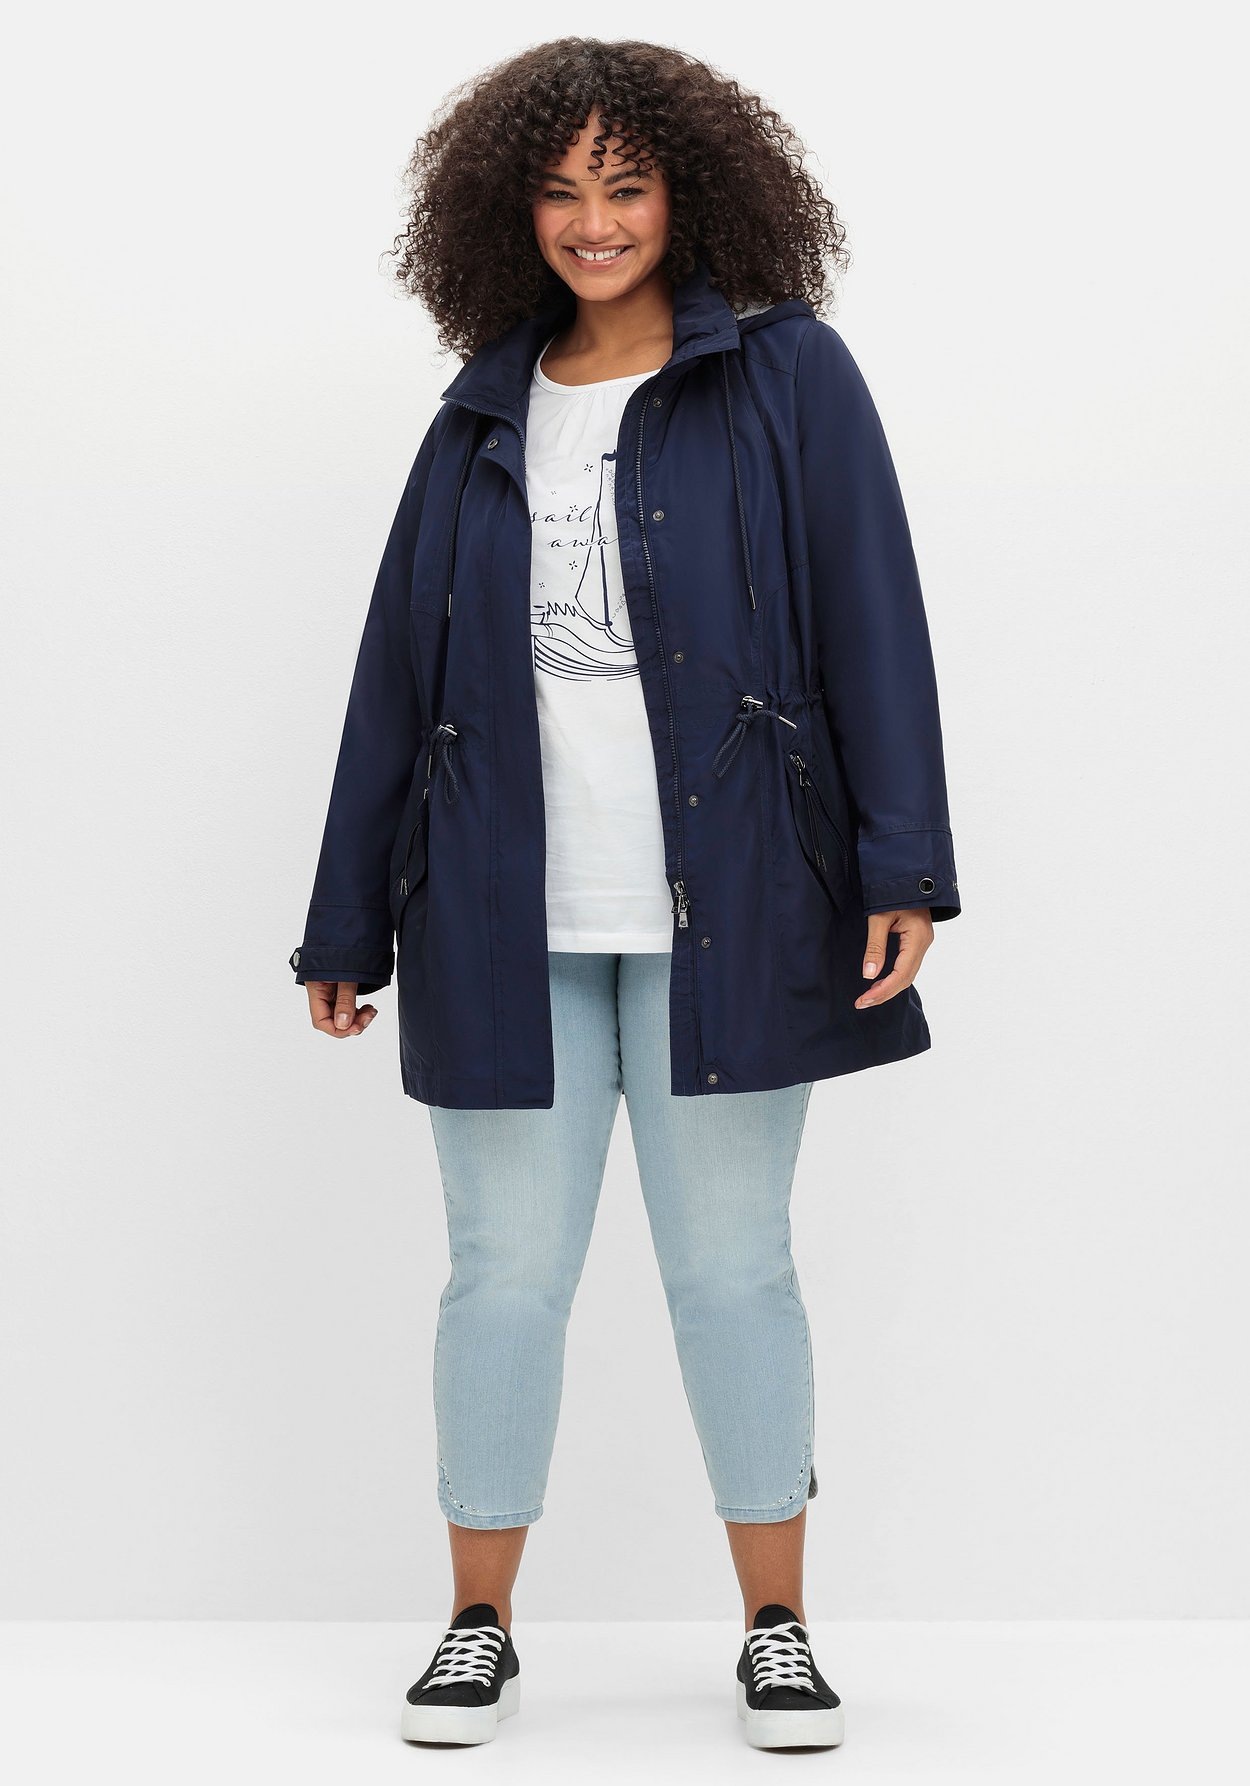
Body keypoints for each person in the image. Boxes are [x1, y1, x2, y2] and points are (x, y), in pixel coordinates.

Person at [290, 36, 961, 1752]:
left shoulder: (787, 374)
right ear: (506, 210)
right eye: (560, 190)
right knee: (501, 1275)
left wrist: (902, 860)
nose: (594, 221)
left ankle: (777, 1626)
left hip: (733, 899)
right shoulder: (479, 410)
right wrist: (345, 914)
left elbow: (869, 613)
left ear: (691, 193)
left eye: (628, 185)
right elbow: (393, 680)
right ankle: (477, 1624)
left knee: (732, 1270)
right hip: (493, 913)